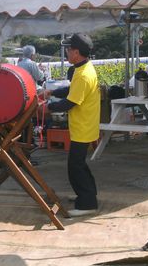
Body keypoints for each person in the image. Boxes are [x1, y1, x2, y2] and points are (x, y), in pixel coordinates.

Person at [42, 33, 99, 217]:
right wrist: (53, 92)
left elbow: (70, 102)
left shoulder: (82, 74)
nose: (66, 52)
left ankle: (87, 204)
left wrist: (48, 108)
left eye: (68, 49)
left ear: (76, 52)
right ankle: (88, 196)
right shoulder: (83, 68)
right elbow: (70, 90)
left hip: (83, 126)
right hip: (84, 124)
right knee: (79, 164)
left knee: (75, 166)